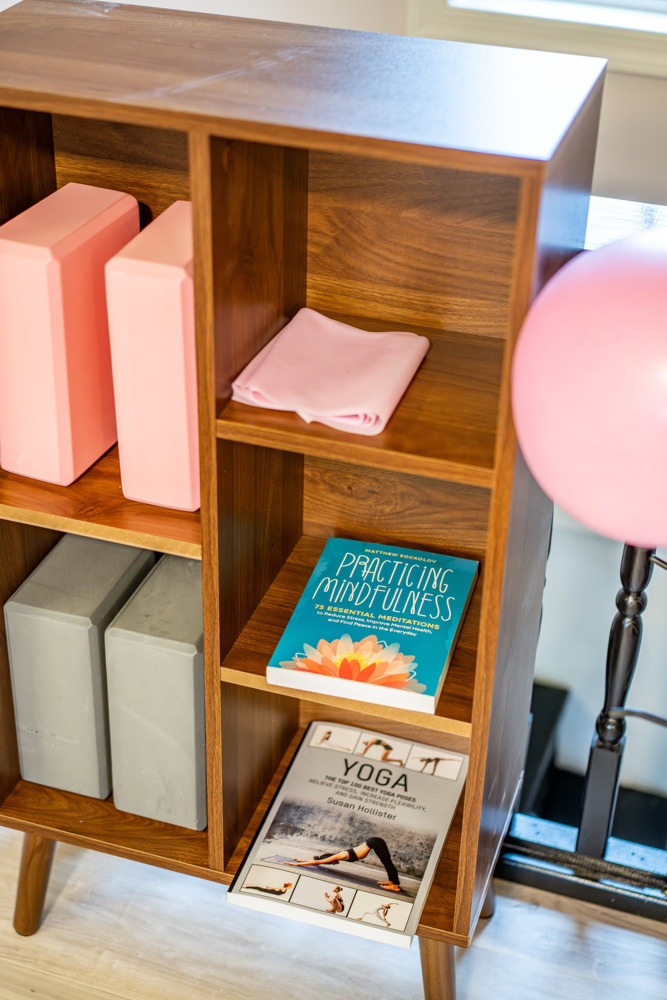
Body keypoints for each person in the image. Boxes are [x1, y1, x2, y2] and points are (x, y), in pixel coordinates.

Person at [287, 836, 401, 891]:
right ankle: (391, 880)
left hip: (374, 842)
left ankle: (395, 885)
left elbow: (318, 862)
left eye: (331, 863)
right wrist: (301, 861)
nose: (334, 864)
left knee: (387, 862)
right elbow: (319, 862)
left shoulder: (339, 856)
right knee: (386, 862)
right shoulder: (339, 856)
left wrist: (296, 865)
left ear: (331, 860)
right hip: (373, 842)